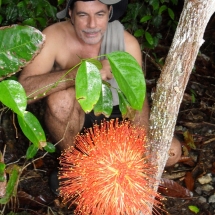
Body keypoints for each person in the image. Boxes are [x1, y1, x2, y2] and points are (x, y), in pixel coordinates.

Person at [18, 0, 181, 167]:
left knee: (171, 152)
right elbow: (23, 92)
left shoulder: (127, 43)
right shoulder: (54, 37)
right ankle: (75, 166)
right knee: (60, 101)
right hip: (77, 118)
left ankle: (117, 167)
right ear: (70, 14)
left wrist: (141, 140)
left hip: (117, 116)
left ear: (109, 12)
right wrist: (82, 73)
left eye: (99, 14)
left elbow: (136, 97)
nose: (92, 24)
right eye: (83, 15)